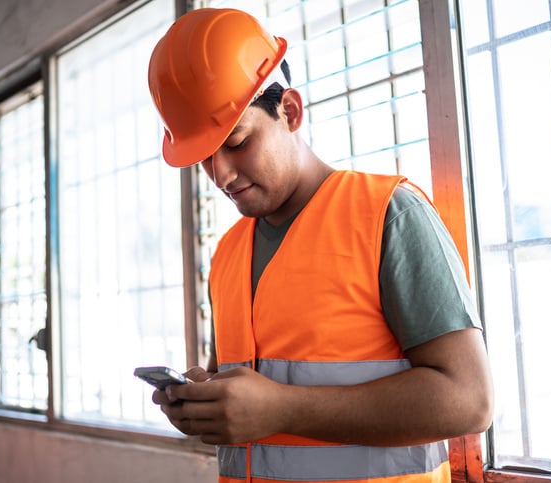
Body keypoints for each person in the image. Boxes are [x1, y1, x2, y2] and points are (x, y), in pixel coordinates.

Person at [147, 7, 493, 483]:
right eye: (205, 158)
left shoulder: (390, 215)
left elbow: (470, 400)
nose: (220, 175)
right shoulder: (228, 252)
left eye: (237, 141)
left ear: (289, 111)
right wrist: (203, 401)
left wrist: (283, 410)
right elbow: (245, 386)